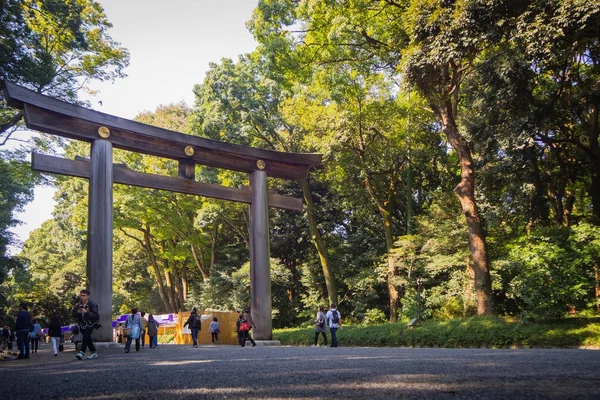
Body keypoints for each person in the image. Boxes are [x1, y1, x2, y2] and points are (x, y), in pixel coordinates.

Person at [72, 289, 99, 360]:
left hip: (90, 324)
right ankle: (94, 352)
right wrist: (77, 312)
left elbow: (96, 315)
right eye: (81, 295)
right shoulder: (78, 305)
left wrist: (86, 312)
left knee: (85, 337)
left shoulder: (92, 304)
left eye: (84, 296)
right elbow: (73, 314)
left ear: (87, 296)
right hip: (82, 324)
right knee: (87, 338)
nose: (82, 297)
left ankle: (81, 352)